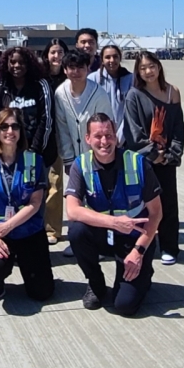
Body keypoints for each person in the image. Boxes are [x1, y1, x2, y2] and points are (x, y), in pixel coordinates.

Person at [66, 113, 163, 315]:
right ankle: (96, 283)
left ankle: (143, 272)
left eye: (109, 135)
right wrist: (113, 222)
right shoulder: (80, 164)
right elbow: (72, 210)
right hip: (105, 234)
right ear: (88, 139)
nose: (104, 142)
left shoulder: (138, 163)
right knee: (76, 231)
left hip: (134, 239)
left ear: (116, 137)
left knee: (124, 306)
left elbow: (156, 213)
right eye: (98, 136)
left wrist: (139, 252)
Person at [0, 110, 54, 301]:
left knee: (42, 293)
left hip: (27, 230)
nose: (10, 131)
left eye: (15, 126)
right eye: (4, 127)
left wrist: (9, 225)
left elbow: (35, 203)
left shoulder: (34, 161)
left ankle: (30, 268)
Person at [122, 52, 184, 265]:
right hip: (144, 161)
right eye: (142, 68)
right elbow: (133, 133)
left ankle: (169, 247)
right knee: (142, 205)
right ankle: (141, 245)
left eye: (151, 66)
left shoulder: (172, 92)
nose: (148, 71)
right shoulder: (134, 95)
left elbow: (178, 127)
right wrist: (153, 154)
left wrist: (171, 154)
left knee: (168, 203)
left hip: (167, 159)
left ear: (159, 67)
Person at [51, 49, 113, 254]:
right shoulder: (60, 93)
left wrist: (103, 154)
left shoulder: (99, 93)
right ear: (65, 69)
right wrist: (68, 159)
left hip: (98, 156)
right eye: (71, 67)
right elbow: (61, 128)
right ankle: (79, 242)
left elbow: (106, 126)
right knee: (76, 199)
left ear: (88, 69)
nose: (75, 72)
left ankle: (103, 243)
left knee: (99, 199)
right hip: (74, 159)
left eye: (80, 67)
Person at [0, 46, 55, 170]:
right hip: (9, 153)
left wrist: (34, 150)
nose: (17, 65)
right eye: (12, 62)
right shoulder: (0, 89)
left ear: (29, 64)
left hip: (38, 152)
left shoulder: (41, 85)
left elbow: (47, 119)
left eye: (21, 62)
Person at [40, 37, 69, 243]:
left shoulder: (70, 77)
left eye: (60, 52)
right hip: (42, 135)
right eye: (53, 52)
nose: (56, 56)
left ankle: (52, 229)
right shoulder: (40, 78)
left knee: (56, 183)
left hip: (62, 136)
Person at [89, 44, 133, 138]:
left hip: (124, 136)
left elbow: (131, 112)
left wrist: (120, 137)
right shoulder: (93, 79)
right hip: (100, 136)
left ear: (120, 58)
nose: (112, 60)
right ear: (102, 60)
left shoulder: (131, 79)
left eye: (115, 56)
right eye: (108, 57)